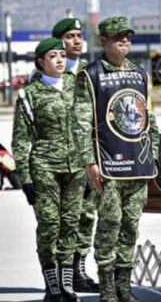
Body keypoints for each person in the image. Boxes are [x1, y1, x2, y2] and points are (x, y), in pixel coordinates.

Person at [72, 16, 160, 302]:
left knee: (131, 227)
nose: (124, 40)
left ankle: (124, 285)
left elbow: (149, 118)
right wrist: (89, 162)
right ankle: (107, 288)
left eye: (127, 36)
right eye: (117, 36)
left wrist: (154, 154)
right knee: (110, 224)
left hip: (138, 164)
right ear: (104, 41)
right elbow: (81, 122)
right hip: (109, 166)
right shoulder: (90, 75)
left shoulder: (139, 73)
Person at [12, 37, 85, 302]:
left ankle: (67, 283)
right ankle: (51, 285)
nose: (59, 60)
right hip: (44, 168)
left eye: (61, 55)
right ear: (41, 61)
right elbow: (21, 139)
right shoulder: (29, 94)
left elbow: (89, 128)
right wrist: (25, 178)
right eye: (52, 56)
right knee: (49, 225)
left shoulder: (78, 87)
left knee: (70, 223)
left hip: (76, 167)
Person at [52, 17, 99, 292]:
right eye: (70, 36)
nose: (77, 41)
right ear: (59, 41)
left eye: (80, 36)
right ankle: (61, 275)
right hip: (59, 161)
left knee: (87, 216)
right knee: (62, 220)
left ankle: (79, 270)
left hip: (87, 159)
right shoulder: (49, 77)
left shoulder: (90, 73)